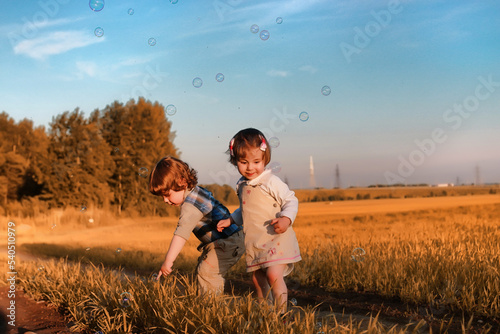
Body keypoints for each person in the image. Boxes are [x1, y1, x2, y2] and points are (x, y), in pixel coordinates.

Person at [217, 128, 301, 314]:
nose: (250, 167)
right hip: (256, 242)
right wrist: (231, 220)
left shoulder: (270, 181)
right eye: (243, 162)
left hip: (276, 238)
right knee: (257, 278)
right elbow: (245, 211)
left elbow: (290, 199)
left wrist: (286, 219)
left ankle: (282, 314)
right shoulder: (242, 184)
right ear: (235, 161)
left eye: (256, 162)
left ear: (265, 160)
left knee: (273, 274)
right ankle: (266, 310)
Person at [149, 156, 245, 295]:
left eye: (167, 194)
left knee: (207, 272)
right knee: (204, 271)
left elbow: (181, 234)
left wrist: (168, 261)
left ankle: (212, 309)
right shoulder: (196, 192)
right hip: (225, 241)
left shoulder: (190, 206)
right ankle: (208, 302)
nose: (165, 200)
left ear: (182, 182)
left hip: (228, 241)